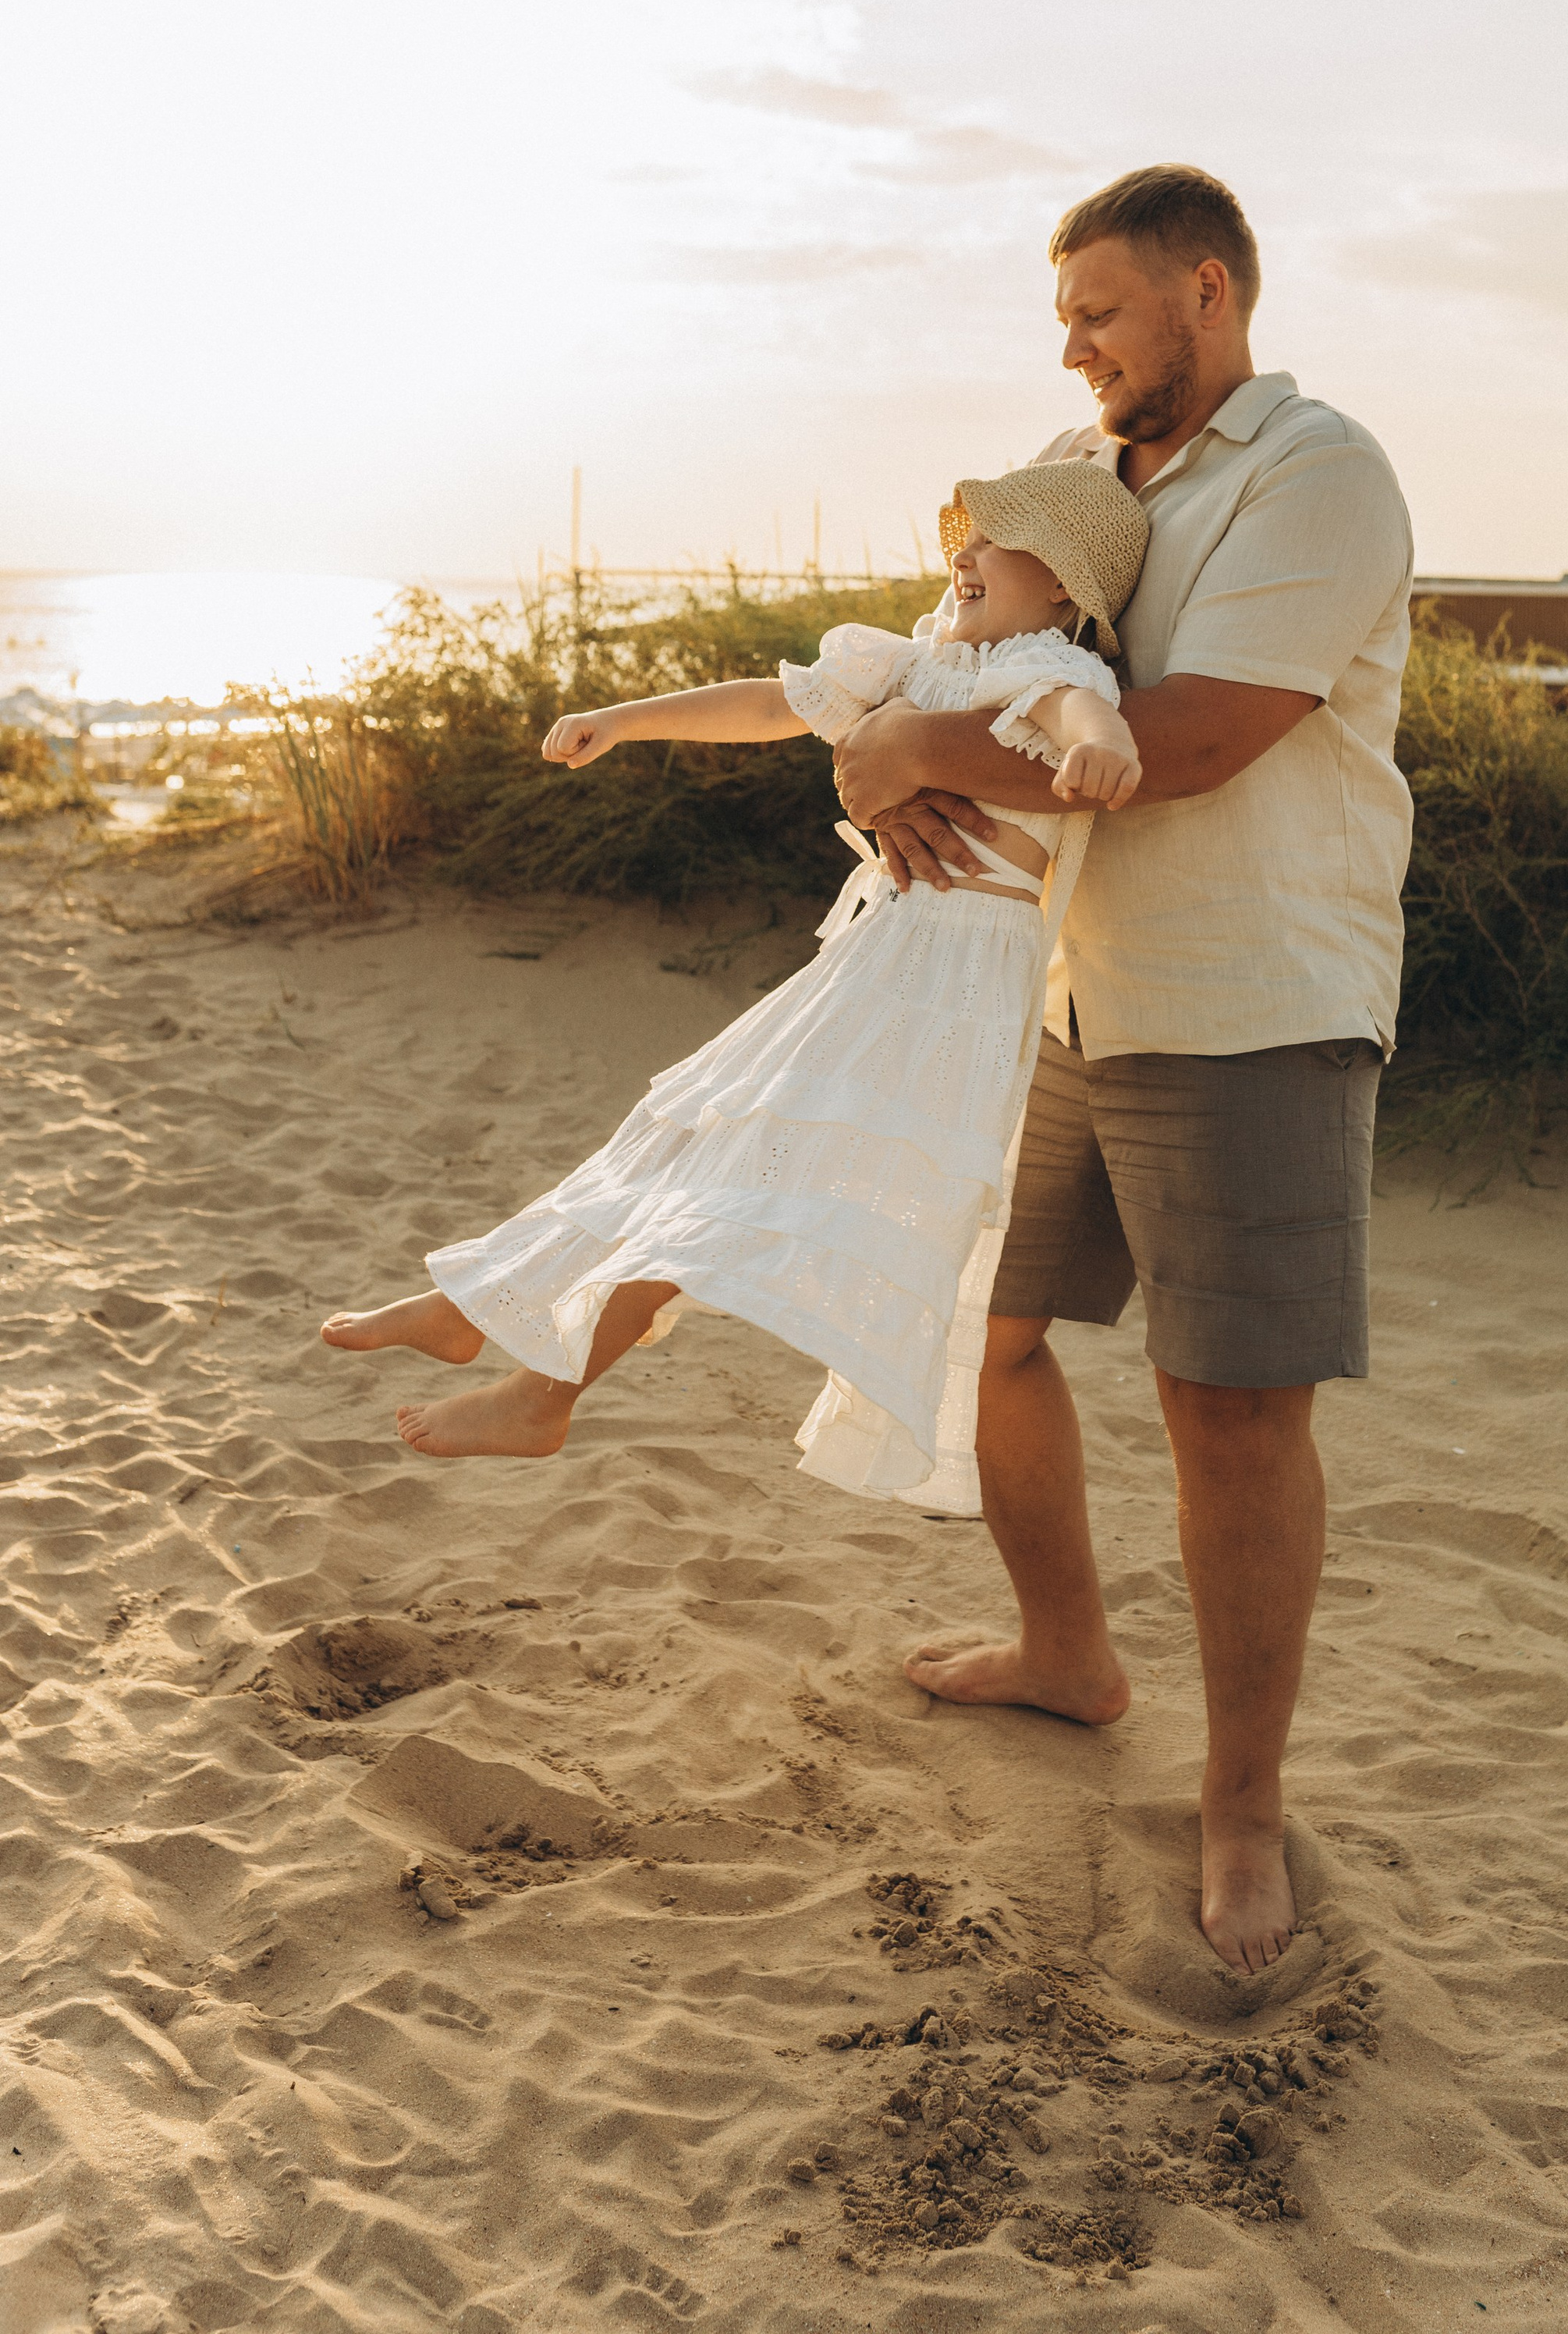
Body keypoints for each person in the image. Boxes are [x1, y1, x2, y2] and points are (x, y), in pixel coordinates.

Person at [827, 163, 1414, 1979]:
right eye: (1062, 316)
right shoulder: (1081, 478)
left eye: (1097, 311)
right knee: (989, 1334)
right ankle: (1067, 1655)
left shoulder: (1316, 477)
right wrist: (884, 751)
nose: (1068, 345)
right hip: (1054, 993)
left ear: (1209, 296)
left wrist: (915, 742)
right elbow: (974, 666)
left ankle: (1242, 1811)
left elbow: (1192, 734)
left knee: (1225, 1407)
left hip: (1247, 1000)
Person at [319, 461, 1152, 1508]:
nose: (966, 558)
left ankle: (527, 1369)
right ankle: (510, 1348)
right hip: (877, 961)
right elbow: (774, 702)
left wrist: (1105, 752)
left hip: (945, 991)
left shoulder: (1037, 670)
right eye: (967, 542)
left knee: (729, 1173)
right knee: (696, 1155)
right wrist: (624, 717)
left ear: (1067, 590)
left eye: (998, 544)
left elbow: (1091, 716)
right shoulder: (923, 662)